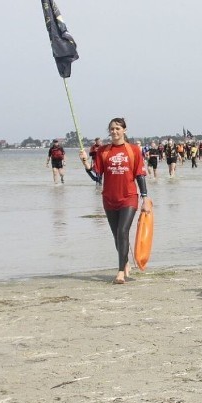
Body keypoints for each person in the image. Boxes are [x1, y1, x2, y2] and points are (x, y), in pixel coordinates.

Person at [79, 117, 151, 284]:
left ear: (124, 130)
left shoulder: (133, 150)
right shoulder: (103, 151)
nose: (114, 131)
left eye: (118, 128)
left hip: (129, 197)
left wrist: (145, 198)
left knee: (122, 231)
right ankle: (124, 261)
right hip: (109, 198)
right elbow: (97, 177)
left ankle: (120, 272)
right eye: (112, 129)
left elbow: (140, 175)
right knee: (116, 236)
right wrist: (86, 165)